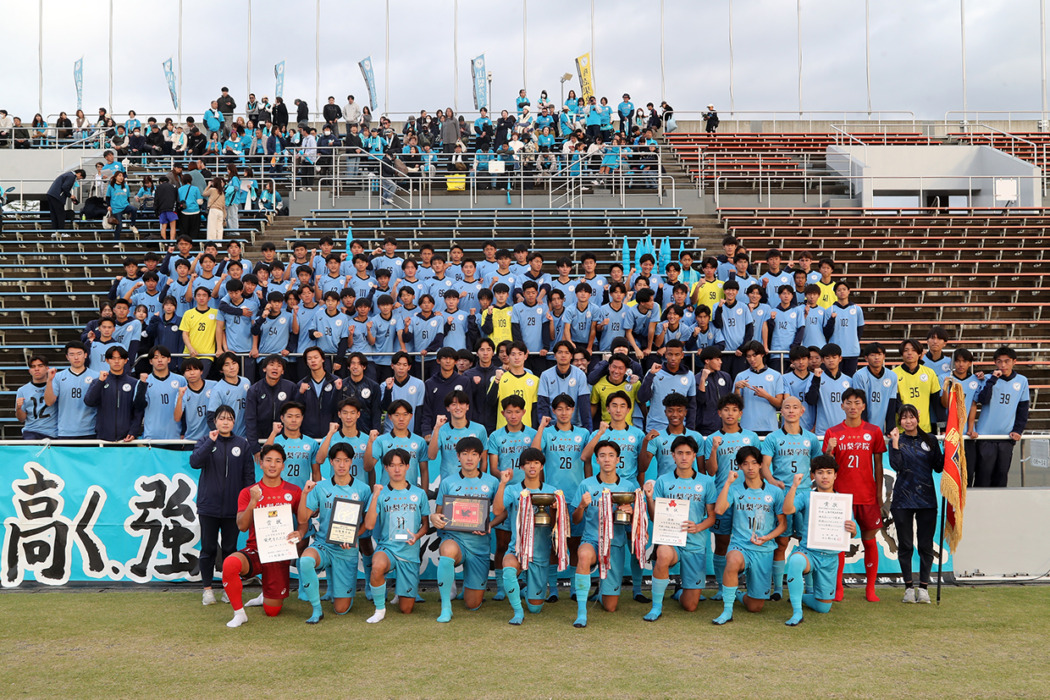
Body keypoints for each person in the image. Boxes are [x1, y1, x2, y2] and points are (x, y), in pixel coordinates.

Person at [221, 443, 302, 628]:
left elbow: (303, 523)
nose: (272, 465)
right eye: (268, 460)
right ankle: (239, 614)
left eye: (277, 461)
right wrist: (253, 502)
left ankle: (266, 593)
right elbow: (242, 526)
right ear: (261, 464)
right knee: (230, 564)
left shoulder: (293, 491)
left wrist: (300, 533)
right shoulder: (249, 492)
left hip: (278, 554)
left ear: (283, 465)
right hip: (255, 551)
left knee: (272, 612)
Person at [296, 442, 373, 623]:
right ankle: (317, 610)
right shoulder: (321, 488)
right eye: (337, 460)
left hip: (347, 549)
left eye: (346, 460)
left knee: (341, 609)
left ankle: (336, 584)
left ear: (351, 462)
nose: (341, 465)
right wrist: (305, 494)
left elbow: (367, 523)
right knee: (306, 560)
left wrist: (354, 537)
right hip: (324, 545)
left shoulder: (363, 489)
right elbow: (302, 519)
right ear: (331, 461)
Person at [642, 435, 717, 621]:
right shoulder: (662, 481)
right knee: (663, 554)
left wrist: (698, 527)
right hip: (670, 540)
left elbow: (712, 517)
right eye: (679, 453)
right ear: (672, 456)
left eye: (688, 453)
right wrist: (650, 499)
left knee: (690, 606)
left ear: (694, 456)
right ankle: (656, 607)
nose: (684, 457)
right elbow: (654, 517)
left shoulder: (706, 482)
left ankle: (680, 592)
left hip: (695, 544)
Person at [823, 388, 886, 602]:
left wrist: (879, 495)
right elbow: (826, 466)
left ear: (863, 406)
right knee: (840, 544)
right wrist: (829, 450)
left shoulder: (874, 431)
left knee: (870, 541)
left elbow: (878, 466)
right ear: (841, 406)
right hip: (841, 496)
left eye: (857, 402)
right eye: (848, 402)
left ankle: (870, 588)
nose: (852, 406)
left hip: (867, 495)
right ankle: (838, 587)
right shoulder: (833, 433)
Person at [711, 446, 786, 625]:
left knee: (755, 607)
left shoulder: (774, 492)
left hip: (764, 548)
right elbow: (719, 509)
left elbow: (783, 524)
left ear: (761, 465)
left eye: (754, 463)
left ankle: (738, 594)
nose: (750, 467)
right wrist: (728, 483)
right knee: (733, 560)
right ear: (740, 466)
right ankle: (727, 611)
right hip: (740, 546)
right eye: (745, 464)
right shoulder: (735, 489)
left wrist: (767, 538)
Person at [781, 454, 857, 625]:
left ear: (835, 475)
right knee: (796, 561)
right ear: (813, 476)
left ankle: (801, 596)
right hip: (809, 552)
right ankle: (797, 612)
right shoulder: (806, 496)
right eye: (820, 472)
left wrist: (853, 530)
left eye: (829, 472)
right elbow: (787, 510)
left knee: (824, 608)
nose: (824, 476)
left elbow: (851, 532)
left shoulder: (842, 501)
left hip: (830, 558)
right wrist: (794, 486)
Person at [432, 436, 502, 622]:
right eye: (465, 454)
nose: (469, 458)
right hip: (455, 539)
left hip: (479, 546)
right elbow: (439, 513)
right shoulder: (448, 482)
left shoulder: (492, 482)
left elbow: (502, 512)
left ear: (480, 457)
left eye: (473, 454)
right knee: (447, 551)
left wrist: (490, 524)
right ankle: (446, 607)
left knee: (473, 605)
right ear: (458, 456)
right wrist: (434, 517)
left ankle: (469, 588)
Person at [190, 405, 254, 606]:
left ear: (234, 422)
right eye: (221, 418)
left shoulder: (242, 445)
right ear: (215, 421)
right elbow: (194, 462)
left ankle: (229, 589)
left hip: (233, 510)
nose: (225, 422)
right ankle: (207, 590)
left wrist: (245, 505)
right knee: (208, 548)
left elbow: (248, 477)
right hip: (209, 507)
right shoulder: (205, 441)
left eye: (229, 419)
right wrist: (211, 441)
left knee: (229, 550)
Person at [759, 396, 822, 600]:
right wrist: (773, 482)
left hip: (805, 495)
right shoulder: (773, 438)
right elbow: (765, 466)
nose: (791, 411)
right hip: (782, 494)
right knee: (782, 542)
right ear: (781, 412)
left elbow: (817, 466)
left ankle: (810, 588)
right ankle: (778, 588)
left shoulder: (811, 438)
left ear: (802, 411)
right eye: (787, 407)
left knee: (807, 543)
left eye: (795, 407)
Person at [571, 440, 638, 628]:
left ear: (618, 459)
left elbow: (636, 525)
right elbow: (575, 520)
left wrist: (632, 513)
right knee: (583, 554)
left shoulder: (629, 486)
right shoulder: (587, 484)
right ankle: (582, 613)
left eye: (610, 456)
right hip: (591, 540)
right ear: (596, 460)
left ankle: (601, 590)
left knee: (610, 607)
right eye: (602, 456)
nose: (607, 459)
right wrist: (582, 506)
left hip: (615, 544)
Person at [363, 448, 431, 623]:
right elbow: (369, 525)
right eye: (392, 465)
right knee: (377, 565)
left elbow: (426, 525)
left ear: (408, 466)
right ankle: (379, 609)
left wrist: (417, 536)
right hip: (388, 547)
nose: (397, 469)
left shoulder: (419, 493)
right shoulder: (380, 493)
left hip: (409, 550)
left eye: (401, 465)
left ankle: (401, 592)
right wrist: (375, 495)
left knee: (406, 609)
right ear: (385, 468)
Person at [705, 393, 761, 598]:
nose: (730, 414)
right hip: (724, 498)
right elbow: (710, 471)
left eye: (734, 410)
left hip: (749, 499)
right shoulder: (712, 438)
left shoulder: (751, 437)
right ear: (719, 413)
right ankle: (722, 587)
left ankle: (750, 587)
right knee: (722, 543)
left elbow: (759, 467)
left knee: (750, 540)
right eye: (726, 410)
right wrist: (713, 448)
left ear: (740, 413)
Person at [888, 404, 943, 604]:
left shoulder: (930, 439)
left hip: (927, 499)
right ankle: (909, 587)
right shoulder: (897, 440)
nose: (908, 421)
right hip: (902, 500)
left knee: (926, 546)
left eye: (911, 417)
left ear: (917, 418)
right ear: (899, 421)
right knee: (905, 545)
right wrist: (894, 442)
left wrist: (953, 451)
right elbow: (897, 466)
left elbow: (938, 467)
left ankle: (924, 588)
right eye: (904, 418)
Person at [970, 346, 1030, 488]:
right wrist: (991, 381)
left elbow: (1023, 408)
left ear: (1014, 362)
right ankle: (981, 509)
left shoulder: (1022, 381)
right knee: (983, 475)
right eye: (999, 361)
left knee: (1001, 475)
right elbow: (983, 400)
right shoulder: (987, 379)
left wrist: (1018, 430)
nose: (1003, 365)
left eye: (1007, 361)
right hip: (985, 436)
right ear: (995, 363)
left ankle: (998, 509)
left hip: (1006, 437)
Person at [83, 346, 142, 441]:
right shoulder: (98, 381)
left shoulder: (134, 383)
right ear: (107, 360)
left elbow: (138, 410)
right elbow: (89, 402)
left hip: (127, 439)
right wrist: (100, 382)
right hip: (103, 437)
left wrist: (134, 431)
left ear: (125, 361)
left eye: (120, 358)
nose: (117, 361)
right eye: (113, 358)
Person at [44, 341, 100, 439]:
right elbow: (49, 402)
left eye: (79, 354)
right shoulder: (58, 377)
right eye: (72, 354)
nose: (76, 357)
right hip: (65, 432)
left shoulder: (97, 376)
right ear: (67, 357)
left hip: (90, 431)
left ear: (85, 355)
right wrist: (49, 380)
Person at [16, 355, 58, 440]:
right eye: (33, 367)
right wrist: (18, 408)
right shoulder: (22, 390)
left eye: (40, 366)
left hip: (53, 432)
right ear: (29, 371)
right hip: (31, 431)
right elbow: (21, 419)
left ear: (47, 368)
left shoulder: (55, 386)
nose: (36, 369)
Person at [202, 177, 225, 241]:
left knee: (212, 227)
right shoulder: (222, 192)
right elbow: (223, 204)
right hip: (220, 211)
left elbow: (204, 193)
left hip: (213, 210)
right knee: (219, 228)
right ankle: (219, 242)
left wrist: (208, 185)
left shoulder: (212, 190)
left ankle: (211, 242)